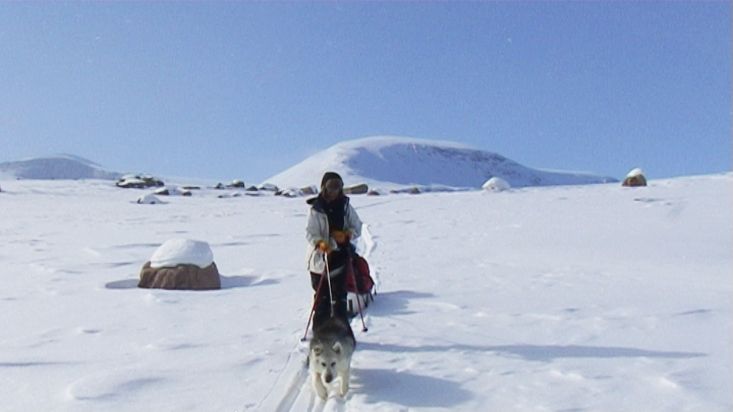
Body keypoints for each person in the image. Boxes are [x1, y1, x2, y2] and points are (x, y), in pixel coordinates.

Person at [305, 172, 362, 330]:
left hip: (340, 257)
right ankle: (319, 333)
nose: (334, 191)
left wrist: (347, 234)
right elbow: (310, 232)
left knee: (339, 297)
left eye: (338, 186)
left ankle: (341, 332)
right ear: (324, 187)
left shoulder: (345, 206)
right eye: (331, 186)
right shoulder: (316, 209)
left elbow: (357, 226)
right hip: (319, 259)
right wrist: (320, 243)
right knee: (321, 297)